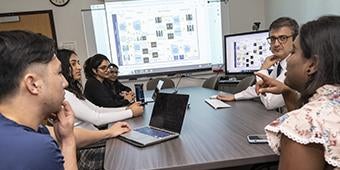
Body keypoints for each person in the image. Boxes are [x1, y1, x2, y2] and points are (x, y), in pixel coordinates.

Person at [0, 30, 131, 169]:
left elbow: (59, 134)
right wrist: (68, 144)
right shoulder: (36, 148)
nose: (65, 83)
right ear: (33, 84)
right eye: (58, 73)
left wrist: (70, 136)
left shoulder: (25, 129)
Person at [256, 16, 340, 169]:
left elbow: (309, 124)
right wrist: (287, 92)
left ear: (312, 65)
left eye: (293, 52)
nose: (288, 60)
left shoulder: (302, 125)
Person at [217, 17, 299, 110]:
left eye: (283, 38)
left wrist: (263, 70)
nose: (276, 44)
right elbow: (258, 87)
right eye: (272, 39)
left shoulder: (295, 67)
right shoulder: (281, 64)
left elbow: (270, 103)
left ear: (295, 40)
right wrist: (235, 97)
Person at [57, 49, 143, 130]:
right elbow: (96, 118)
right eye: (73, 64)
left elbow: (98, 109)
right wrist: (130, 112)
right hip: (95, 141)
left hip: (96, 135)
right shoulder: (67, 94)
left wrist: (127, 108)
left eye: (78, 63)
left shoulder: (74, 92)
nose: (79, 67)